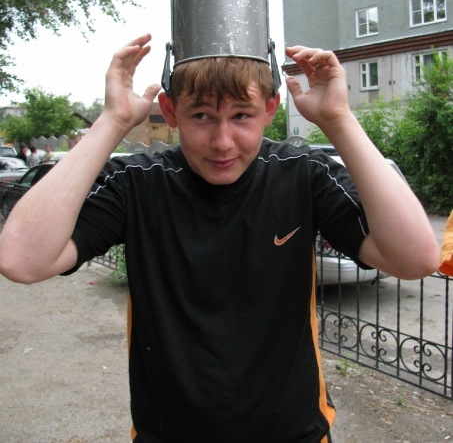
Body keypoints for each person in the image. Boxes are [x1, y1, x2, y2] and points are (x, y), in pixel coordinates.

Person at [0, 34, 440, 443]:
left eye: (242, 115)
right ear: (170, 111)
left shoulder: (301, 174)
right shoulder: (138, 182)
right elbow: (22, 259)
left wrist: (339, 119)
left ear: (270, 109)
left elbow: (416, 258)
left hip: (294, 434)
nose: (223, 141)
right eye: (202, 116)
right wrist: (111, 122)